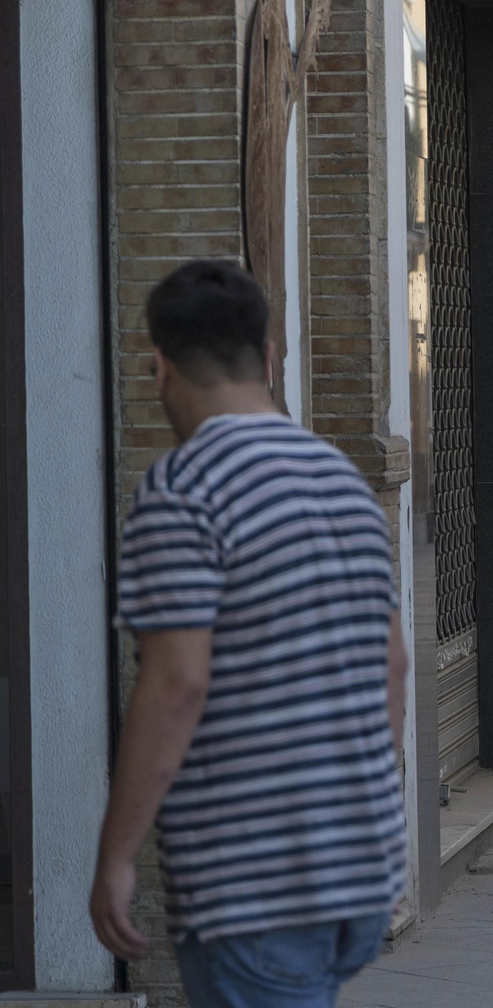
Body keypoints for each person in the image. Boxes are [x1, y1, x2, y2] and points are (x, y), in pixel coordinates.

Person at [90, 261, 408, 1006]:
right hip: (360, 870)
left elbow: (175, 684)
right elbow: (391, 665)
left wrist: (116, 856)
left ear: (159, 367)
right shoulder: (341, 481)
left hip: (258, 884)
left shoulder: (183, 490)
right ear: (269, 356)